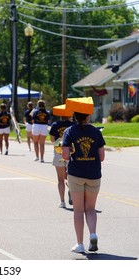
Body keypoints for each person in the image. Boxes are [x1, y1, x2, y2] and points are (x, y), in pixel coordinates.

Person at [62, 98, 105, 253]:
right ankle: (93, 234)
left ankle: (80, 244)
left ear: (74, 115)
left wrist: (72, 152)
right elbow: (102, 157)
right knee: (91, 208)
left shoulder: (69, 132)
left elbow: (65, 156)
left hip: (76, 174)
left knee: (78, 210)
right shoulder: (96, 131)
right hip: (94, 174)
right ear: (88, 116)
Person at [49, 106, 75, 208]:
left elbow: (52, 140)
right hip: (70, 152)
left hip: (58, 151)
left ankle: (62, 202)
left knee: (60, 180)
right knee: (70, 177)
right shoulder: (73, 125)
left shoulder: (55, 124)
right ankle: (71, 191)